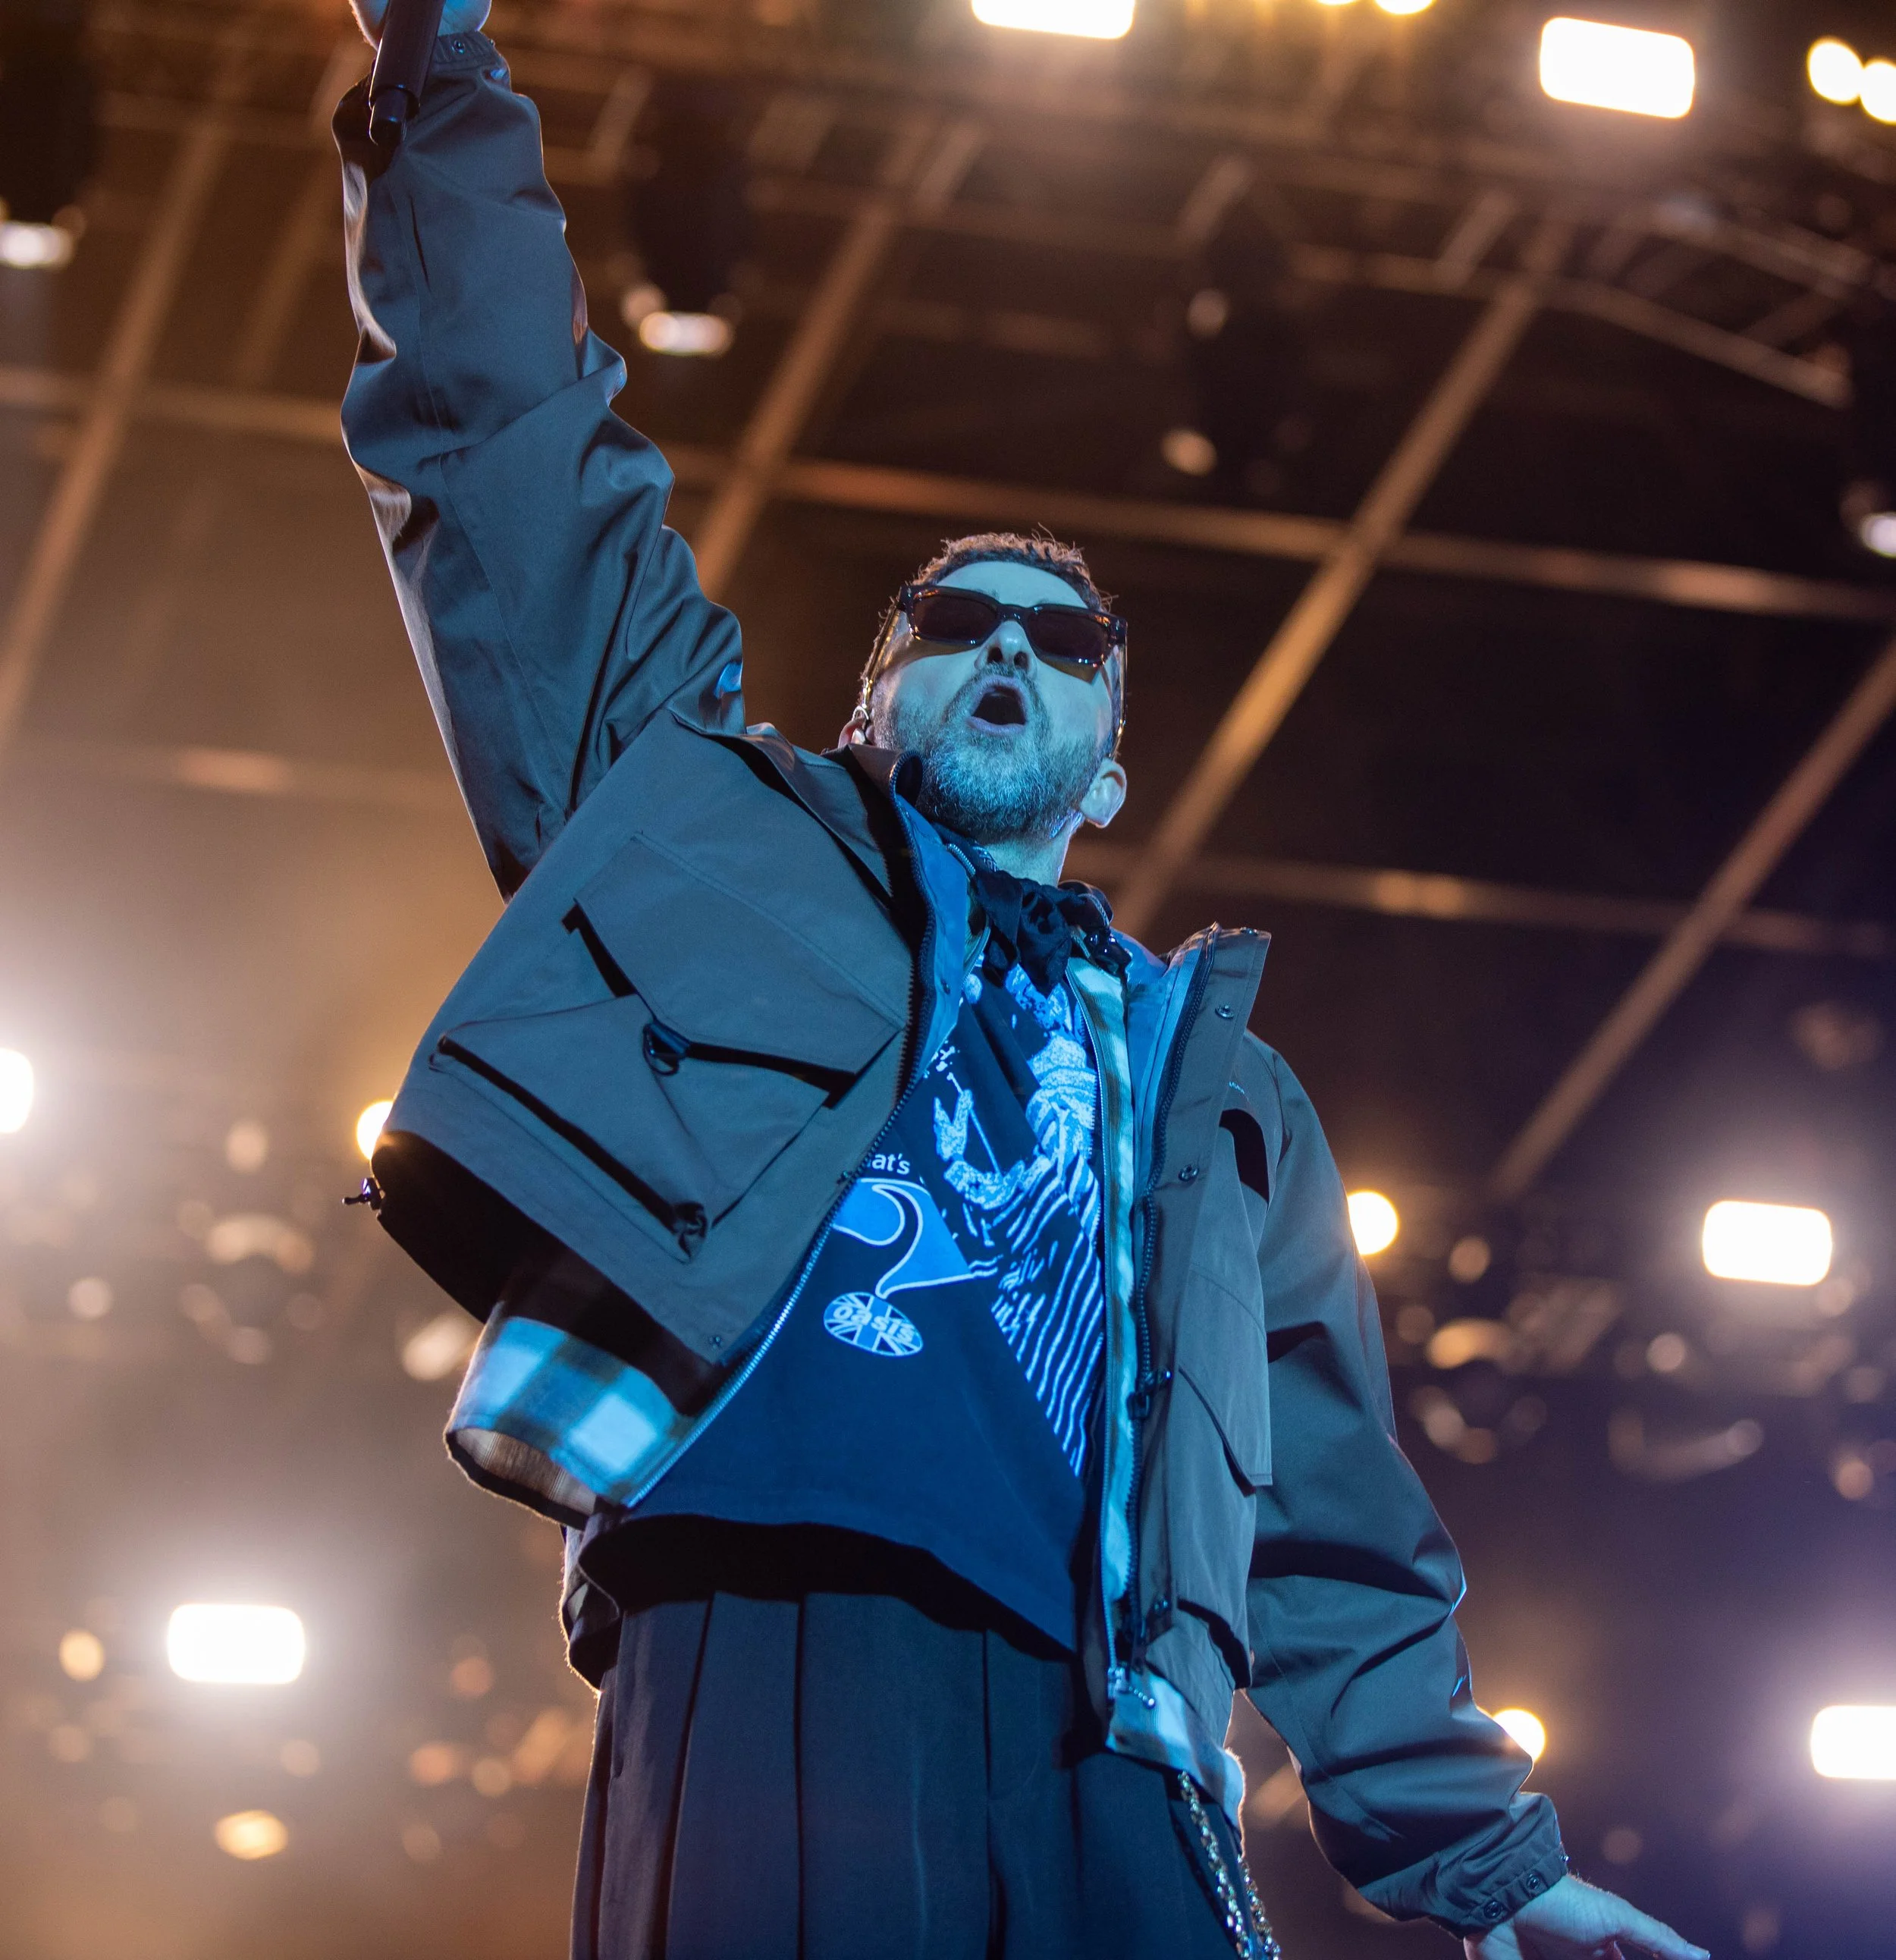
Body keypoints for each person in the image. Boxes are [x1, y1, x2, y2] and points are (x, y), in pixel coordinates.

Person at [336, 8, 1709, 1958]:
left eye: (1062, 641)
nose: (1006, 646)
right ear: (874, 701)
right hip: (771, 1601)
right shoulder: (708, 834)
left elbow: (1329, 1508)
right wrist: (436, 71)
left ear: (1108, 763)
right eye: (954, 618)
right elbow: (511, 464)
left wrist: (1489, 1866)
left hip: (1118, 1727)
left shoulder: (1220, 1095)